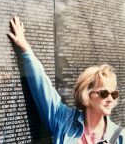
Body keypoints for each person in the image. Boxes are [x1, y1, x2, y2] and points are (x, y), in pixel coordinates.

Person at [8, 16, 125, 144]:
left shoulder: (119, 137)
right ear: (87, 95)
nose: (110, 99)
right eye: (104, 93)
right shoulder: (64, 120)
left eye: (114, 94)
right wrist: (25, 47)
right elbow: (42, 86)